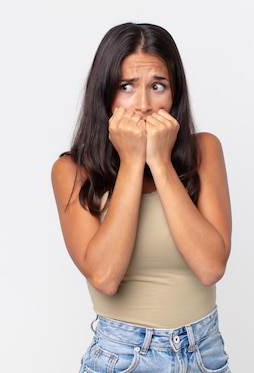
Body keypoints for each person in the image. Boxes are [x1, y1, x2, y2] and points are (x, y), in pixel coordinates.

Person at [51, 22, 232, 373]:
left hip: (204, 354)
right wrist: (133, 161)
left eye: (157, 86)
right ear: (105, 93)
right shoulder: (73, 170)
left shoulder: (204, 151)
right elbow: (104, 276)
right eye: (127, 87)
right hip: (124, 357)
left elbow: (211, 267)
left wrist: (159, 161)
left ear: (174, 94)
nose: (144, 104)